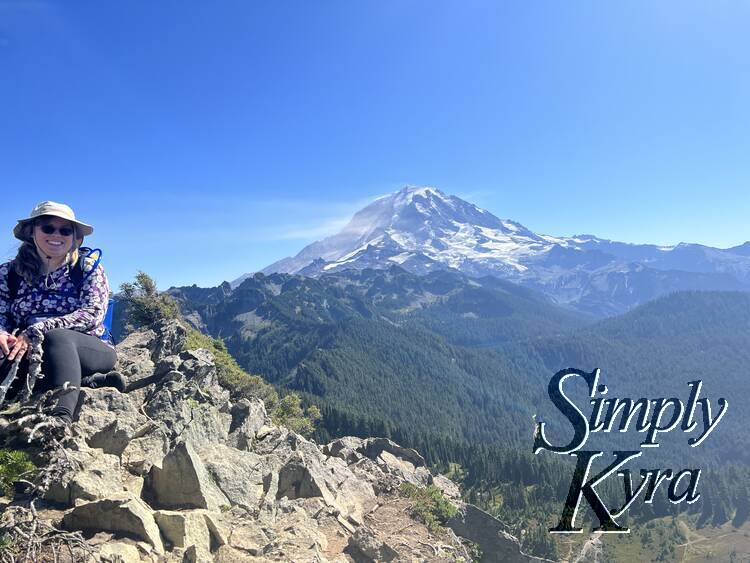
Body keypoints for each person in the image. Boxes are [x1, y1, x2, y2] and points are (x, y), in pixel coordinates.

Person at [0, 201, 124, 425]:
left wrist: (38, 330)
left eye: (65, 230)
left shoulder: (86, 269)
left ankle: (60, 419)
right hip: (29, 350)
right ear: (32, 232)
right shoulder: (9, 273)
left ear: (76, 238)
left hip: (89, 349)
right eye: (48, 228)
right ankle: (89, 381)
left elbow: (93, 312)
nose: (56, 234)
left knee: (56, 336)